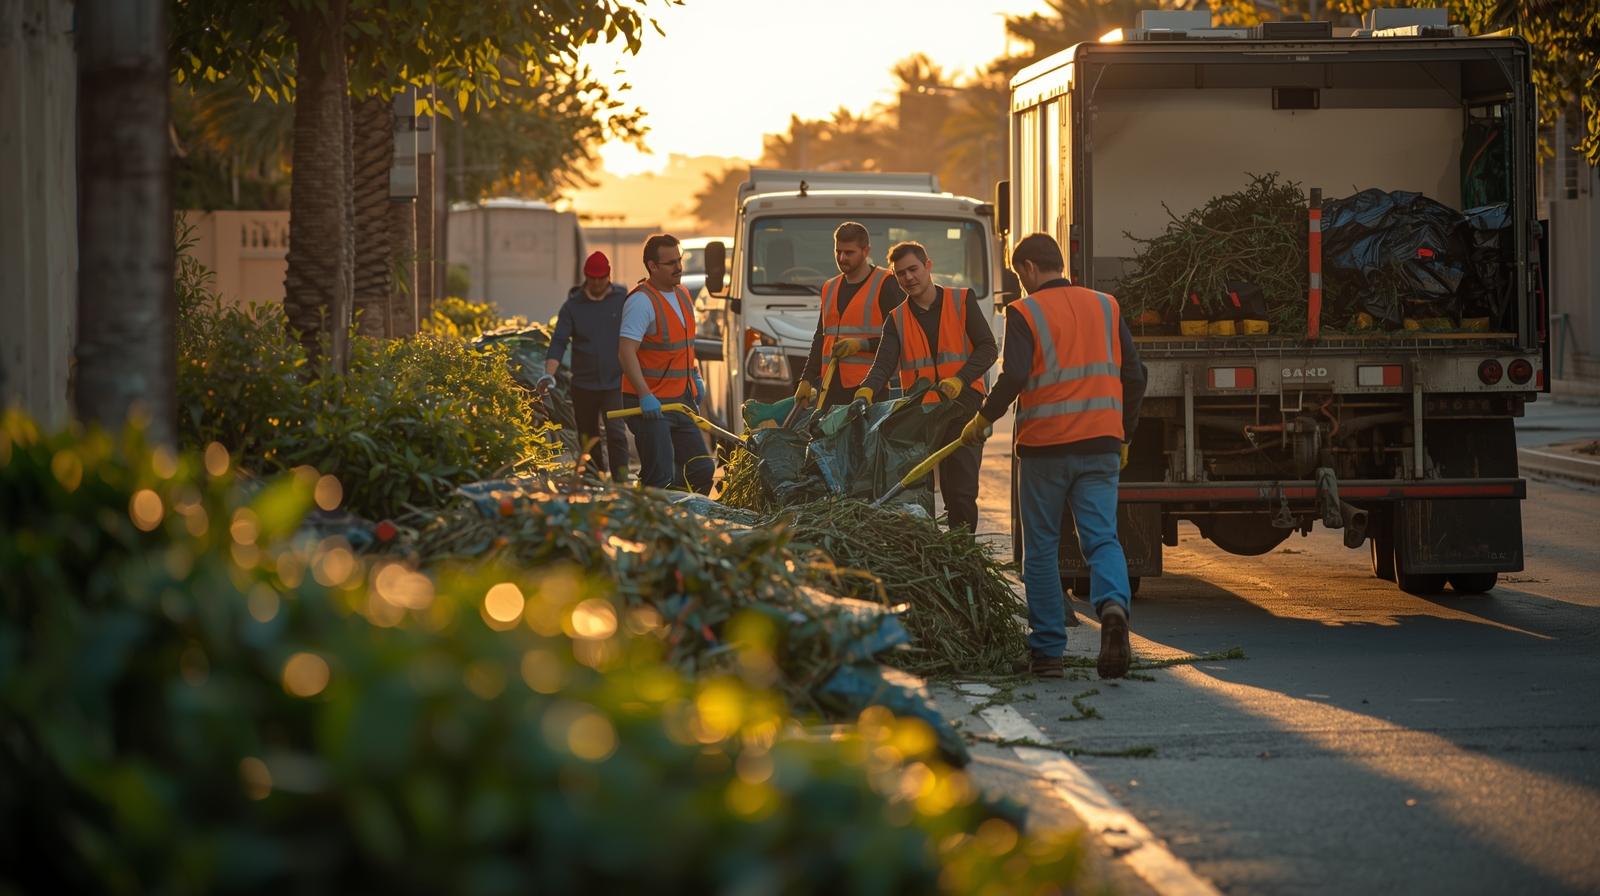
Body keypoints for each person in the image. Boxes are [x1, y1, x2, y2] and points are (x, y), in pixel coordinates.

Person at [958, 233, 1147, 679]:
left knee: (1041, 547)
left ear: (1027, 268)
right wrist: (1124, 434)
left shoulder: (1024, 312)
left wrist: (983, 418)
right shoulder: (1106, 306)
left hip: (1046, 448)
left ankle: (1046, 654)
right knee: (1101, 538)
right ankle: (1113, 608)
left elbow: (1015, 375)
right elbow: (1135, 376)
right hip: (1102, 444)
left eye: (1018, 274)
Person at [855, 241, 997, 531]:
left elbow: (988, 348)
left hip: (963, 409)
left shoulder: (962, 300)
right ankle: (926, 546)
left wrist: (961, 379)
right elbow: (883, 364)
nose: (908, 277)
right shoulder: (896, 319)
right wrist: (867, 389)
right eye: (901, 273)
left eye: (913, 269)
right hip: (921, 416)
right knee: (916, 492)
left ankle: (961, 549)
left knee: (960, 491)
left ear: (928, 266)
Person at [617, 233, 715, 494]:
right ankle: (652, 513)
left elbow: (684, 347)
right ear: (652, 266)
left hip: (680, 400)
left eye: (679, 260)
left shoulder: (682, 294)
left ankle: (683, 515)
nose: (679, 267)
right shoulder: (641, 302)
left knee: (701, 470)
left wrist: (695, 377)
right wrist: (644, 395)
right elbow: (626, 352)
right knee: (660, 475)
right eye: (671, 263)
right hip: (650, 404)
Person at [793, 222, 906, 410]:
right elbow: (821, 338)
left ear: (866, 250)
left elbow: (900, 338)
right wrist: (806, 379)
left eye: (849, 252)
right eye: (838, 252)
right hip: (829, 388)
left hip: (869, 391)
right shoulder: (829, 287)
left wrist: (862, 345)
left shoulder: (887, 284)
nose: (842, 258)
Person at [541, 251, 632, 481]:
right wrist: (549, 375)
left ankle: (621, 482)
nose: (597, 283)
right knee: (588, 438)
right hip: (584, 385)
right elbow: (559, 342)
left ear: (608, 276)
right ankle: (595, 480)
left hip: (615, 382)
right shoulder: (573, 306)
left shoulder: (622, 299)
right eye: (593, 278)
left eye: (602, 278)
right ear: (586, 277)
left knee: (616, 433)